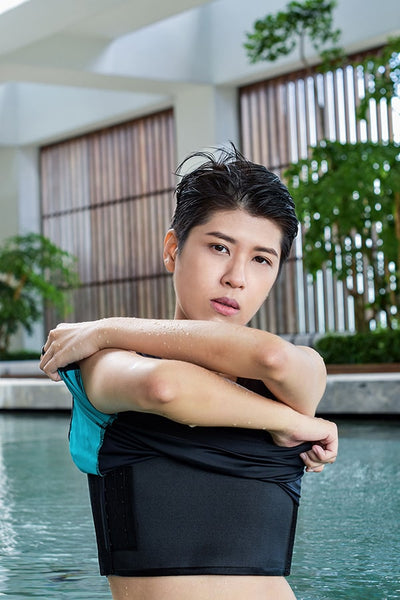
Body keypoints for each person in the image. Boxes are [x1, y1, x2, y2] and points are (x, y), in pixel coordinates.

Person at [40, 146, 338, 600]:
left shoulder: (298, 369)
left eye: (262, 259)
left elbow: (270, 358)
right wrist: (295, 422)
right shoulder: (105, 364)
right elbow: (165, 387)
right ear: (173, 249)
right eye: (219, 247)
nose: (236, 277)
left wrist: (109, 326)